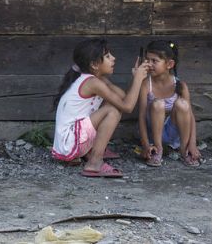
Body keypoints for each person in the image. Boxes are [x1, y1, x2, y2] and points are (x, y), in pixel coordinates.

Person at [51, 38, 150, 178]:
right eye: (108, 56)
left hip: (71, 142)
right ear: (94, 64)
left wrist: (135, 78)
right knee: (112, 110)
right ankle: (94, 162)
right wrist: (139, 79)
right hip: (70, 144)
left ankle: (93, 150)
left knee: (113, 104)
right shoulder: (92, 83)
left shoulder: (98, 79)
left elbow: (123, 98)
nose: (113, 58)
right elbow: (128, 107)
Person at [137, 40, 201, 168]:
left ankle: (184, 150)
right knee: (158, 103)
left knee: (183, 104)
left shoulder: (180, 86)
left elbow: (190, 117)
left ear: (169, 64)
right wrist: (145, 145)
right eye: (147, 60)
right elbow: (142, 116)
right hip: (153, 134)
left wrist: (192, 144)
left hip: (173, 133)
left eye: (154, 61)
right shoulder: (146, 84)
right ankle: (158, 150)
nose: (149, 64)